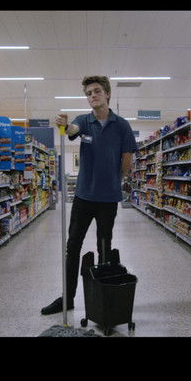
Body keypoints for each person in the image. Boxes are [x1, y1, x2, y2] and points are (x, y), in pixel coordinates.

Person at [41, 75, 137, 315]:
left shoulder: (122, 125)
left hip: (108, 199)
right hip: (84, 196)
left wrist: (116, 181)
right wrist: (65, 125)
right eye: (88, 93)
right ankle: (68, 298)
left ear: (107, 94)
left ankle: (104, 298)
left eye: (96, 91)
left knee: (104, 246)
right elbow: (72, 130)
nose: (92, 95)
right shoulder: (83, 121)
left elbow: (127, 159)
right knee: (73, 245)